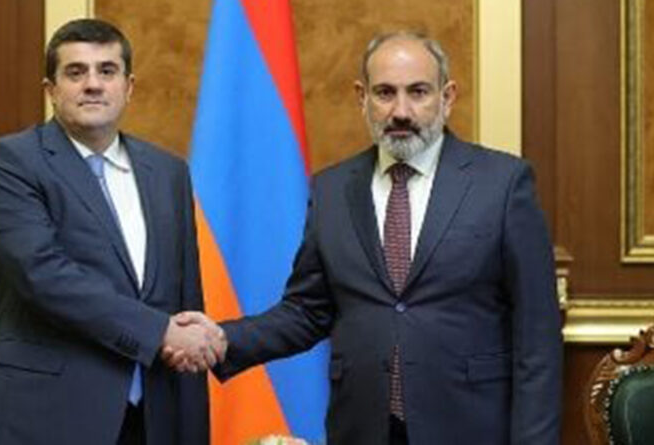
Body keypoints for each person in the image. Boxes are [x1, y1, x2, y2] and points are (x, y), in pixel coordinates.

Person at [170, 31, 562, 444]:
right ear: (362, 98)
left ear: (447, 97)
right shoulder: (332, 190)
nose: (401, 111)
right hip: (363, 428)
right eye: (385, 93)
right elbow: (307, 311)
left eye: (418, 92)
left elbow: (537, 336)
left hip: (470, 428)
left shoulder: (502, 185)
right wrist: (224, 339)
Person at [0, 19, 223, 445]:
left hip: (154, 415)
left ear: (128, 86)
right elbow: (44, 275)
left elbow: (184, 293)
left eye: (107, 71)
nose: (93, 84)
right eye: (76, 72)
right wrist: (159, 332)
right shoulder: (8, 163)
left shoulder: (168, 172)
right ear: (51, 90)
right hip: (49, 414)